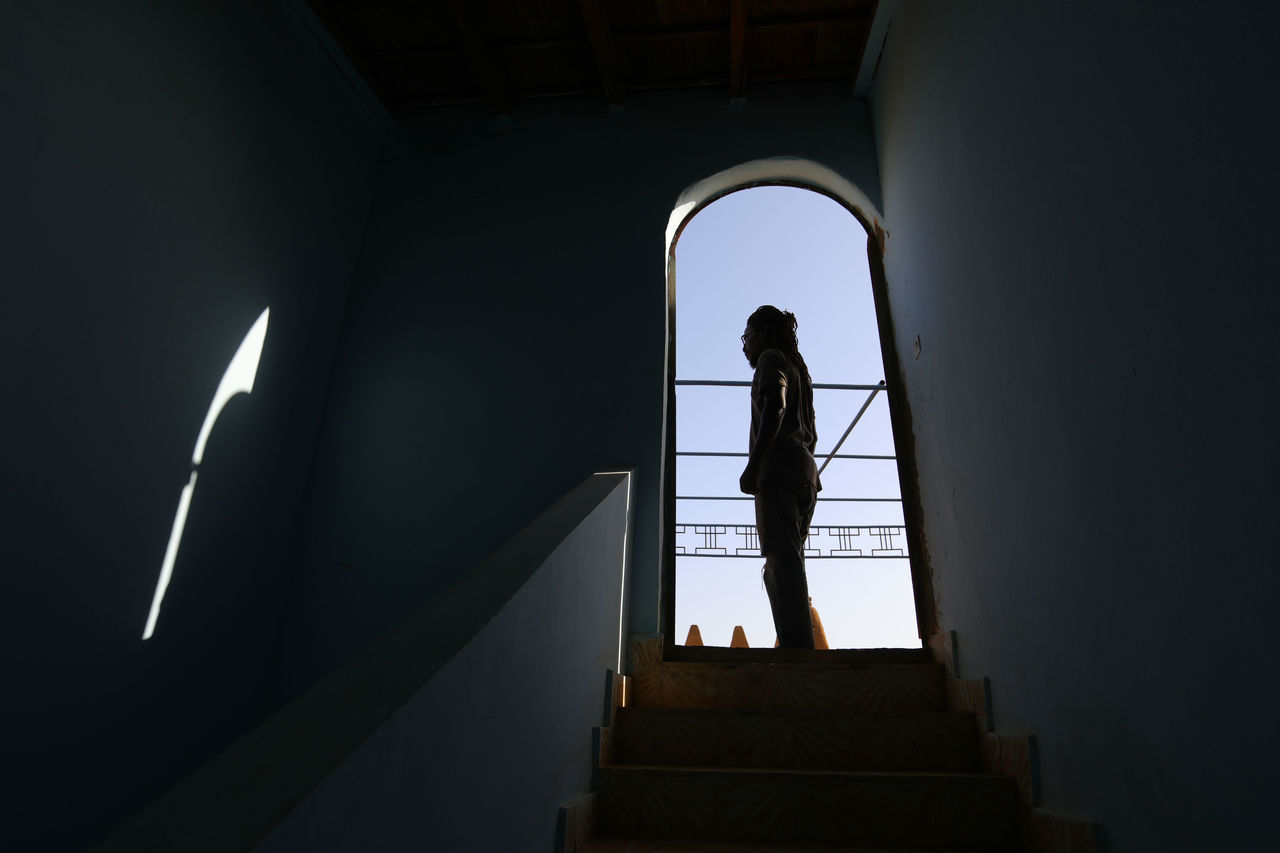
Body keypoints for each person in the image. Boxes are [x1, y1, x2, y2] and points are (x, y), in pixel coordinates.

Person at [738, 305, 821, 649]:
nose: (744, 346)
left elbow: (776, 405)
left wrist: (754, 466)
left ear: (762, 335)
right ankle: (798, 647)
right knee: (790, 564)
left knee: (782, 567)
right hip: (804, 473)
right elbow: (812, 432)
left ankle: (798, 656)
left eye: (747, 336)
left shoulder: (771, 358)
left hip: (778, 473)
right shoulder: (799, 369)